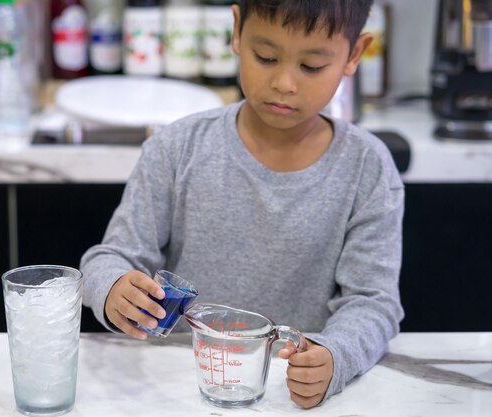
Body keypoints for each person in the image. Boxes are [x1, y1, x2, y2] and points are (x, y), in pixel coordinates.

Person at [81, 0, 404, 409]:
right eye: (265, 57)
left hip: (291, 395)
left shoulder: (367, 168)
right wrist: (113, 287)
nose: (285, 82)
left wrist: (335, 355)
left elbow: (373, 302)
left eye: (312, 66)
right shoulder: (176, 149)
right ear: (236, 31)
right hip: (180, 389)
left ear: (354, 54)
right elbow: (108, 258)